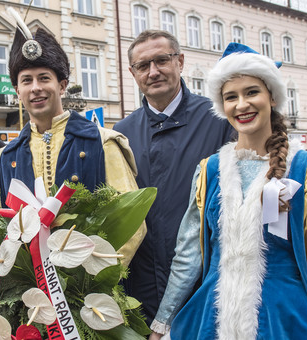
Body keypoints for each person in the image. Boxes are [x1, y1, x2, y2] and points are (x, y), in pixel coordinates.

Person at [150, 43, 307, 340]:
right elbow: (188, 256)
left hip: (282, 321)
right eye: (231, 97)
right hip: (210, 320)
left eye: (251, 92)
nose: (241, 104)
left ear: (271, 96)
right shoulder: (209, 170)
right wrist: (162, 323)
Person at [0, 11, 143, 262]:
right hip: (28, 296)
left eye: (44, 78)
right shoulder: (5, 157)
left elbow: (131, 221)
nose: (35, 87)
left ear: (62, 85)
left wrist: (94, 281)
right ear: (17, 90)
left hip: (90, 293)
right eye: (27, 80)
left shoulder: (102, 142)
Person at [113, 29, 234, 320]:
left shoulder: (218, 119)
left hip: (206, 283)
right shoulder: (122, 134)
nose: (153, 72)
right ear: (133, 72)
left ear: (180, 62)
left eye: (161, 61)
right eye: (143, 66)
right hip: (143, 287)